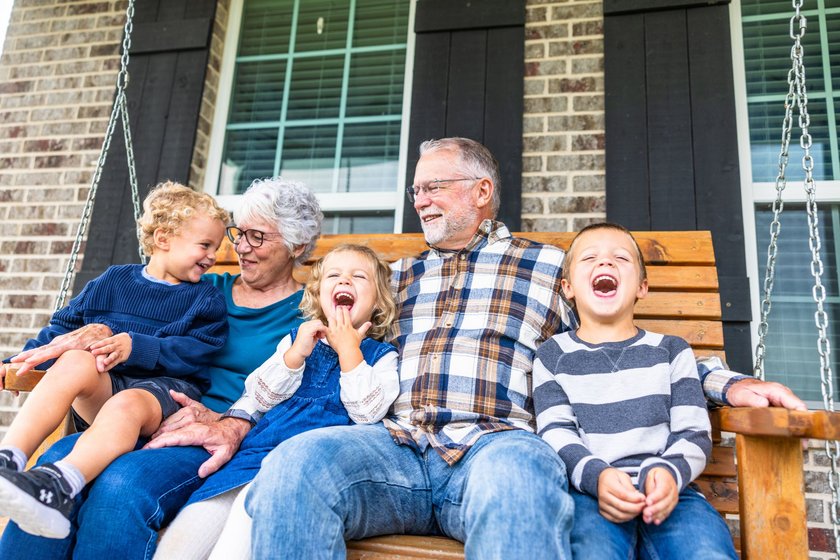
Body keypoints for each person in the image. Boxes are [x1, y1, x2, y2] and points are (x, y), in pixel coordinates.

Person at [242, 137, 806, 558]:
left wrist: (731, 383)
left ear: (481, 192)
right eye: (415, 190)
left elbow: (621, 340)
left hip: (497, 447)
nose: (419, 201)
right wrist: (236, 413)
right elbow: (317, 333)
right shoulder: (395, 275)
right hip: (395, 447)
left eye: (432, 187)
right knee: (296, 466)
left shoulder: (545, 268)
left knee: (520, 481)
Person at [0, 177, 322, 559]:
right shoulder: (202, 286)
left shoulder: (307, 315)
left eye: (258, 237)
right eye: (239, 233)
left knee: (121, 486)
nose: (240, 247)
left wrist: (231, 422)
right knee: (53, 462)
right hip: (130, 415)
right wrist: (88, 334)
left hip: (217, 440)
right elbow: (132, 313)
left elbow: (309, 403)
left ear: (296, 246)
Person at [0, 181, 230, 539]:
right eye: (204, 245)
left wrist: (135, 347)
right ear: (164, 239)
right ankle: (9, 459)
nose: (212, 256)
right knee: (75, 358)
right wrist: (17, 362)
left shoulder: (205, 299)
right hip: (106, 388)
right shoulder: (113, 280)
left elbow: (195, 352)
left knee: (126, 403)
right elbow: (63, 332)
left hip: (163, 395)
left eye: (215, 247)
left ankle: (58, 485)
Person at [152, 243, 400, 559]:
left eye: (358, 277)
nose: (345, 281)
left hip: (302, 471)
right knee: (184, 537)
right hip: (251, 457)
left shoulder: (380, 357)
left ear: (377, 301)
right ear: (318, 294)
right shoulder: (297, 339)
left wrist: (350, 351)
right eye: (334, 275)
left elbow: (367, 413)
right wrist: (295, 355)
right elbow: (260, 394)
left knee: (240, 530)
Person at [532, 223, 737, 559]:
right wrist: (598, 477)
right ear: (568, 287)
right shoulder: (553, 356)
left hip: (673, 493)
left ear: (642, 286)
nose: (605, 264)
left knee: (705, 552)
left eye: (620, 258)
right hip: (591, 495)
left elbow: (694, 431)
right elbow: (557, 434)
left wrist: (668, 473)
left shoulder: (671, 351)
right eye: (590, 258)